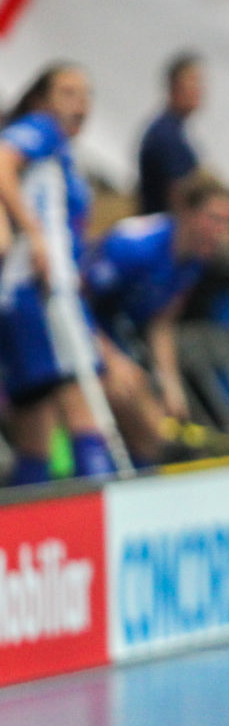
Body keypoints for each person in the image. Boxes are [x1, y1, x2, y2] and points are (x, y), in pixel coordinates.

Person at [0, 63, 117, 485]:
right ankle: (104, 524)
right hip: (42, 292)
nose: (80, 104)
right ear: (40, 100)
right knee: (83, 403)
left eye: (86, 95)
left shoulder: (64, 155)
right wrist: (34, 237)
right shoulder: (42, 131)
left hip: (24, 297)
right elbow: (1, 164)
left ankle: (18, 535)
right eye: (67, 93)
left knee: (36, 432)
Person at [84, 172, 229, 466]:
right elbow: (76, 302)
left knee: (160, 412)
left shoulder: (195, 258)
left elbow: (162, 321)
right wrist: (111, 359)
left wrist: (171, 384)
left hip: (118, 336)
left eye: (228, 221)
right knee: (135, 406)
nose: (221, 231)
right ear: (187, 211)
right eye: (214, 218)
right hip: (81, 332)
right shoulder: (134, 247)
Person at [137, 52, 203, 216]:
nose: (199, 90)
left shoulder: (174, 131)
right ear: (174, 86)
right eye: (193, 82)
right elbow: (181, 197)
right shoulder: (166, 136)